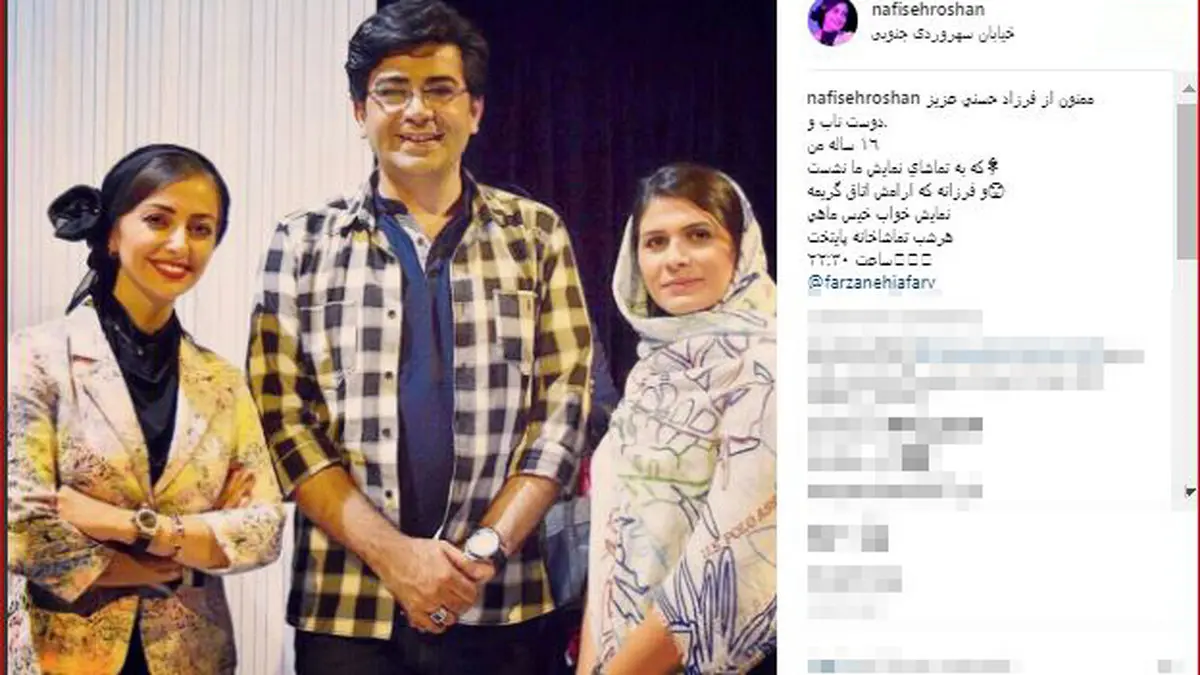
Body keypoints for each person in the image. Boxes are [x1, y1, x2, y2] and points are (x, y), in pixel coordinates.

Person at [245, 2, 593, 673]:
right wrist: (396, 558)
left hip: (502, 598)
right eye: (393, 91)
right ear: (359, 110)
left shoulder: (536, 235)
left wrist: (482, 552)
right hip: (347, 605)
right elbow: (284, 420)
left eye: (439, 89)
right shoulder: (302, 241)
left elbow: (564, 410)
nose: (417, 111)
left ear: (476, 110)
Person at [5, 144, 286, 675]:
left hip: (192, 656)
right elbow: (20, 527)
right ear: (112, 234)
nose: (180, 243)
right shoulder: (35, 357)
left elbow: (263, 528)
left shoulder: (222, 382)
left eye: (201, 229)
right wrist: (159, 563)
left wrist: (133, 527)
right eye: (158, 220)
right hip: (61, 654)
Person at [577, 163, 777, 674]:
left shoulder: (769, 367)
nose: (675, 258)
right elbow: (612, 543)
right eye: (655, 242)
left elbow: (729, 559)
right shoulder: (653, 373)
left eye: (699, 235)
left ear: (740, 248)